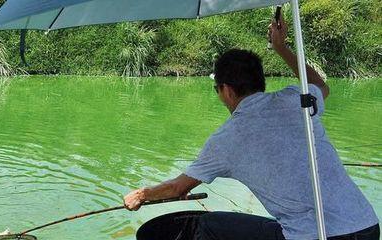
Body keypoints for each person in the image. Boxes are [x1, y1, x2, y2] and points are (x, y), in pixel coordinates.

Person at [123, 12, 379, 240]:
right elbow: (322, 86)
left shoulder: (226, 139)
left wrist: (142, 195)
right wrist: (282, 48)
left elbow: (177, 188)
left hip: (315, 235)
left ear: (226, 90)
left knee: (209, 225)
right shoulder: (295, 100)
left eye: (217, 89)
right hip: (367, 226)